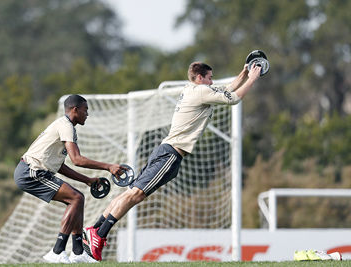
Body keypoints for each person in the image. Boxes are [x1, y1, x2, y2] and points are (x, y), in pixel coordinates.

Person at [82, 61, 262, 261]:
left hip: (166, 150)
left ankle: (94, 229)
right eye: (210, 78)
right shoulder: (201, 92)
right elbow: (234, 98)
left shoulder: (195, 90)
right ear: (200, 78)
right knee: (135, 195)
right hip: (170, 154)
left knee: (132, 193)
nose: (212, 82)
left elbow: (227, 89)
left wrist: (243, 74)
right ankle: (99, 234)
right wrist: (252, 79)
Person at [14, 94, 126, 263]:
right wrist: (108, 166)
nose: (87, 114)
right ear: (75, 110)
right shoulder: (65, 125)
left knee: (77, 199)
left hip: (35, 171)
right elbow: (77, 160)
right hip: (30, 172)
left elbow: (60, 166)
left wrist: (87, 180)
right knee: (76, 198)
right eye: (85, 110)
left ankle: (78, 252)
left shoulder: (65, 126)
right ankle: (57, 251)